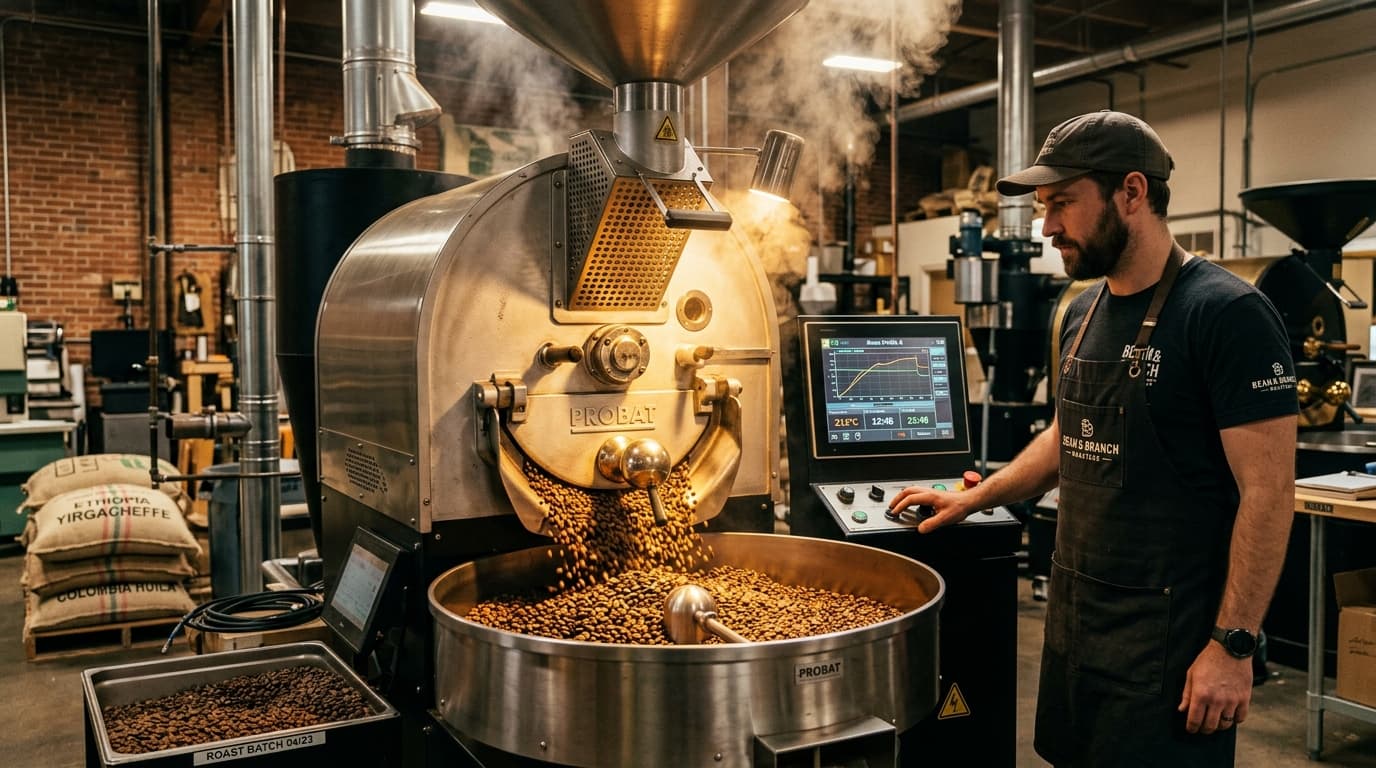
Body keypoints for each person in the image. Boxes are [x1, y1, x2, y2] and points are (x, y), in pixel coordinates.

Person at [890, 110, 1297, 767]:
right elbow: (1066, 435)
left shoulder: (1226, 315)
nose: (1047, 226)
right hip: (1078, 632)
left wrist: (1233, 647)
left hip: (1170, 653)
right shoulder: (1080, 312)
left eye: (1061, 204)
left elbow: (1270, 493)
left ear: (1131, 193)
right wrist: (975, 498)